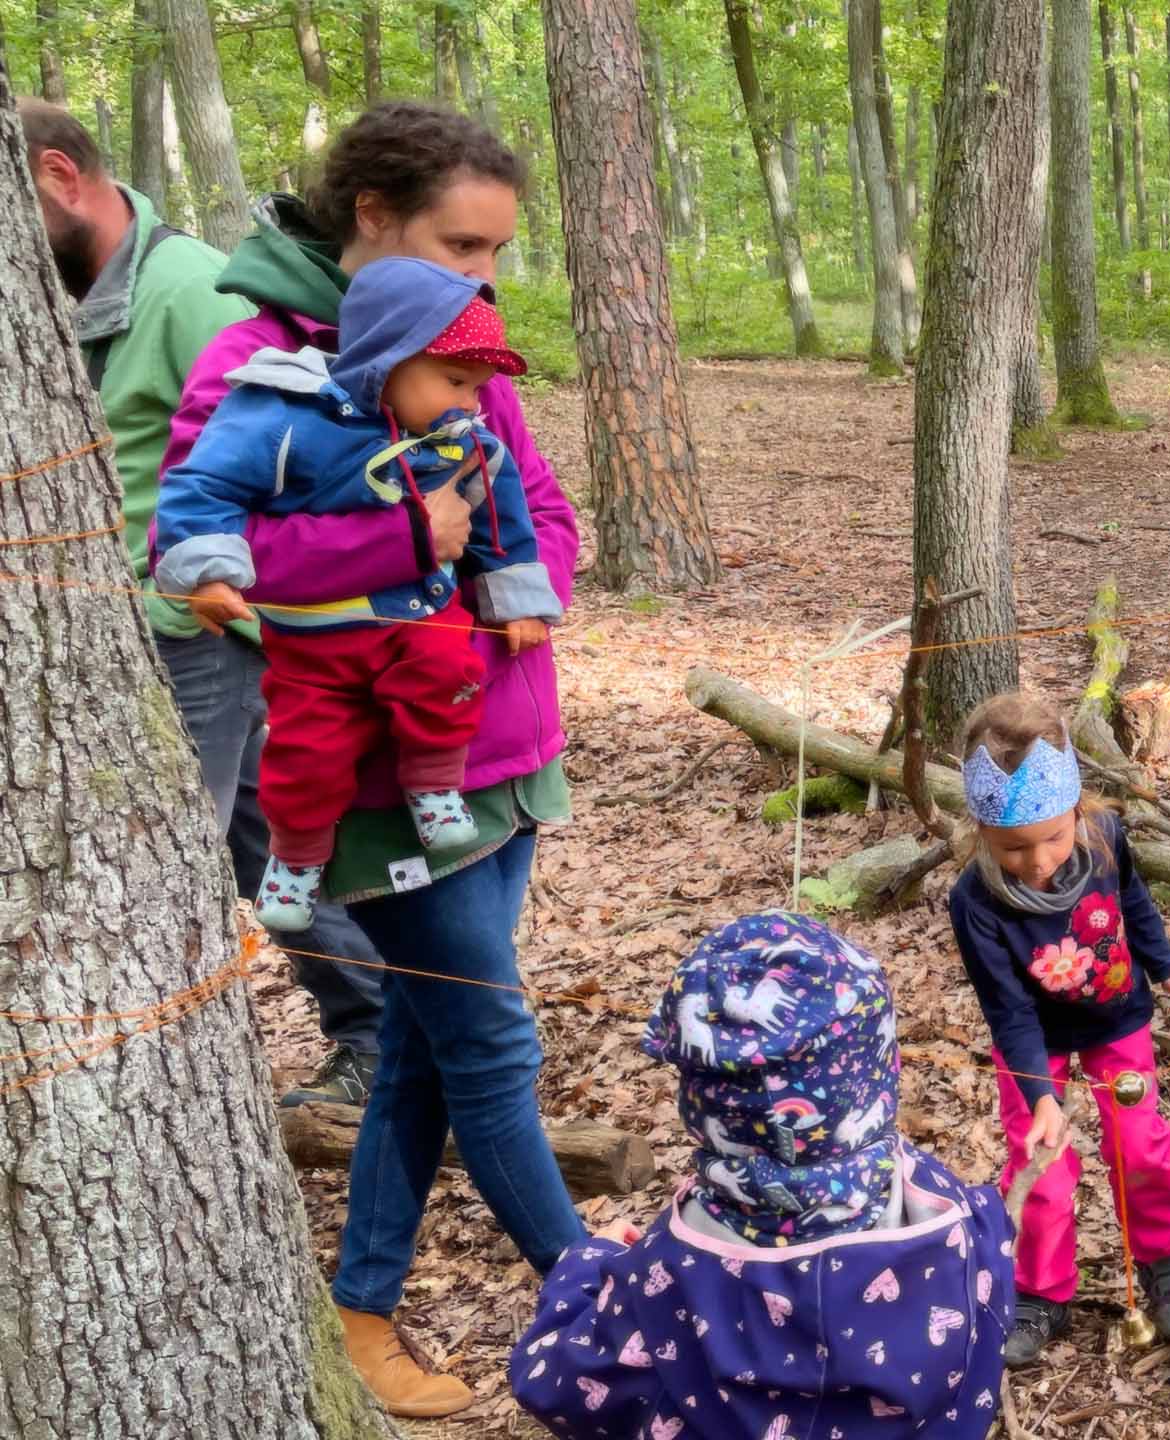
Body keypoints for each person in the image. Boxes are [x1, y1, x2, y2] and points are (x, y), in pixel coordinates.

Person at [160, 102, 583, 1415]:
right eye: (462, 245)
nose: (482, 281)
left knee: (419, 1036)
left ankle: (359, 1308)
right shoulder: (256, 364)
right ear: (372, 222)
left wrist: (520, 587)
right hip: (384, 785)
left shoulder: (463, 358)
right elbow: (206, 560)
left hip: (501, 742)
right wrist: (409, 546)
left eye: (497, 255)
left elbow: (540, 506)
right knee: (492, 1049)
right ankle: (599, 1296)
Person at [18, 99, 389, 1107]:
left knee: (165, 848)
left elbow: (273, 468)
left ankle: (184, 1078)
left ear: (57, 178)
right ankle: (380, 1028)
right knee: (258, 835)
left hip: (194, 635)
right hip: (98, 628)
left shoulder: (191, 293)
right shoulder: (56, 292)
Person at [154, 258, 560, 931]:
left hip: (419, 612)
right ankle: (296, 859)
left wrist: (514, 598)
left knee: (450, 671)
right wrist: (209, 570)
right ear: (385, 358)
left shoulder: (462, 438)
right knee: (305, 754)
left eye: (478, 388)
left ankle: (433, 787)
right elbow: (205, 486)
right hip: (314, 639)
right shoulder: (281, 413)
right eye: (455, 380)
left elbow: (501, 514)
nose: (469, 402)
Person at [509, 913, 1014, 1438]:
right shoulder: (958, 1218)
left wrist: (585, 1265)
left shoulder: (666, 1273)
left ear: (699, 1100)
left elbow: (556, 1383)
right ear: (880, 1065)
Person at [944, 691, 1170, 1367]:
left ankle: (1164, 1257)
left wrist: (1165, 966)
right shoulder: (974, 902)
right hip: (1031, 1043)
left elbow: (1134, 900)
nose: (1039, 861)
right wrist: (1041, 1094)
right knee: (1041, 1162)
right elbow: (1006, 1007)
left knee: (1139, 1141)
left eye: (1053, 837)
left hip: (1116, 1021)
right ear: (981, 831)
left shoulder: (1104, 840)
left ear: (1077, 809)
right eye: (1014, 847)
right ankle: (1040, 1289)